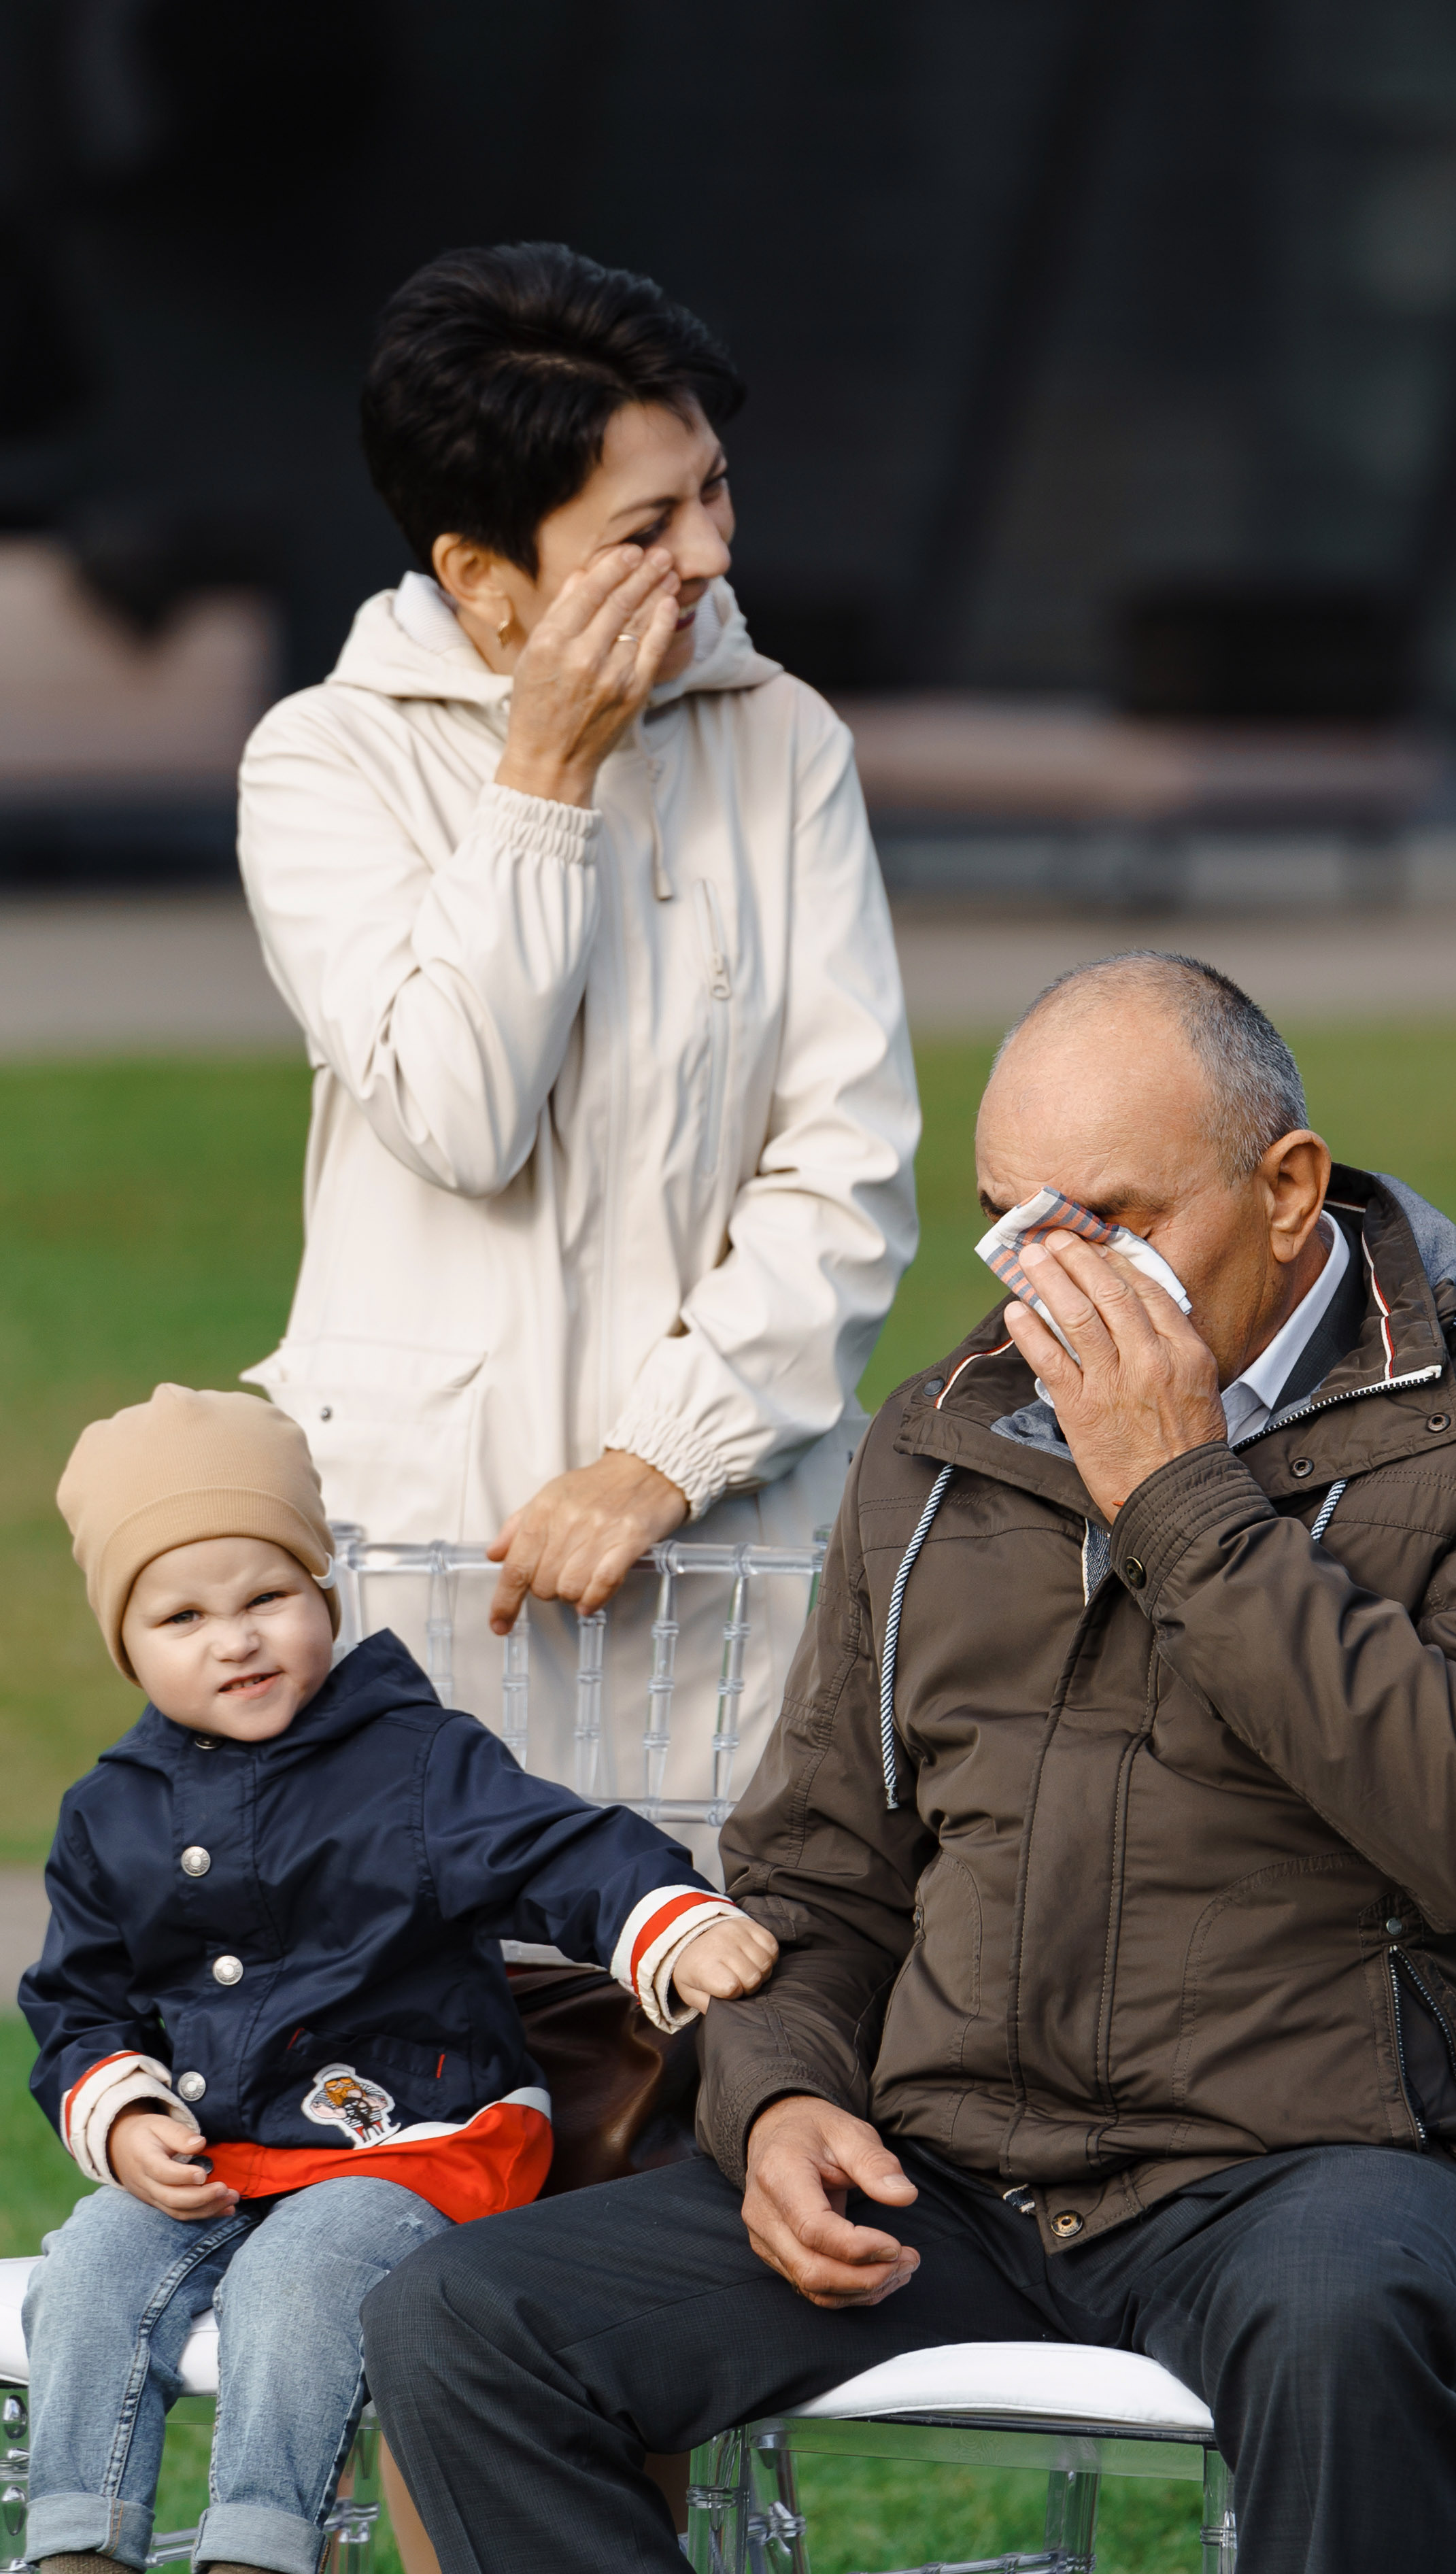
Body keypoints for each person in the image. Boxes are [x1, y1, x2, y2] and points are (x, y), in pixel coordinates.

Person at [361, 953, 1456, 2574]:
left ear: (1286, 1190)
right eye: (1011, 1221)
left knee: (1339, 2314)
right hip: (956, 2177)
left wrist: (1178, 1496)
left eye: (1110, 1221)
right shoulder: (938, 1435)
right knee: (466, 2320)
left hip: (1333, 2172)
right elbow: (815, 1873)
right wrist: (775, 2104)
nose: (1049, 1286)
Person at [236, 243, 918, 1850]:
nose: (708, 551)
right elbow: (458, 1114)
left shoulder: (784, 741)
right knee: (435, 2056)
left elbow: (849, 1167)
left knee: (734, 2034)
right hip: (426, 1566)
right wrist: (543, 783)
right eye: (642, 528)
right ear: (482, 576)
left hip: (735, 1555)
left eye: (714, 493)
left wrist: (659, 1460)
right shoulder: (320, 763)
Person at [18, 1385, 774, 2574]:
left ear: (323, 1592)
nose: (236, 1637)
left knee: (300, 2273)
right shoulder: (112, 1812)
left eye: (268, 1595)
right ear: (127, 1642)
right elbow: (76, 2003)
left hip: (418, 2134)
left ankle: (259, 2547)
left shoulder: (412, 1762)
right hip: (220, 2153)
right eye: (180, 1616)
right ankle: (78, 2544)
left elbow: (558, 1849)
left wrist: (667, 1921)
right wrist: (119, 2109)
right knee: (92, 2266)